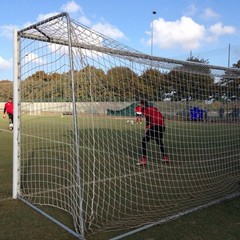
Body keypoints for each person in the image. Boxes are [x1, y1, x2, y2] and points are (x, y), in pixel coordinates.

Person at [137, 100, 169, 166]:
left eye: (139, 104)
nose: (139, 105)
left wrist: (146, 128)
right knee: (159, 141)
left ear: (143, 104)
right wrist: (163, 126)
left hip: (154, 126)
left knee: (144, 141)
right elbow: (162, 116)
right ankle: (165, 157)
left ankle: (144, 159)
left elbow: (148, 118)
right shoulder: (154, 108)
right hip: (161, 125)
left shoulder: (144, 109)